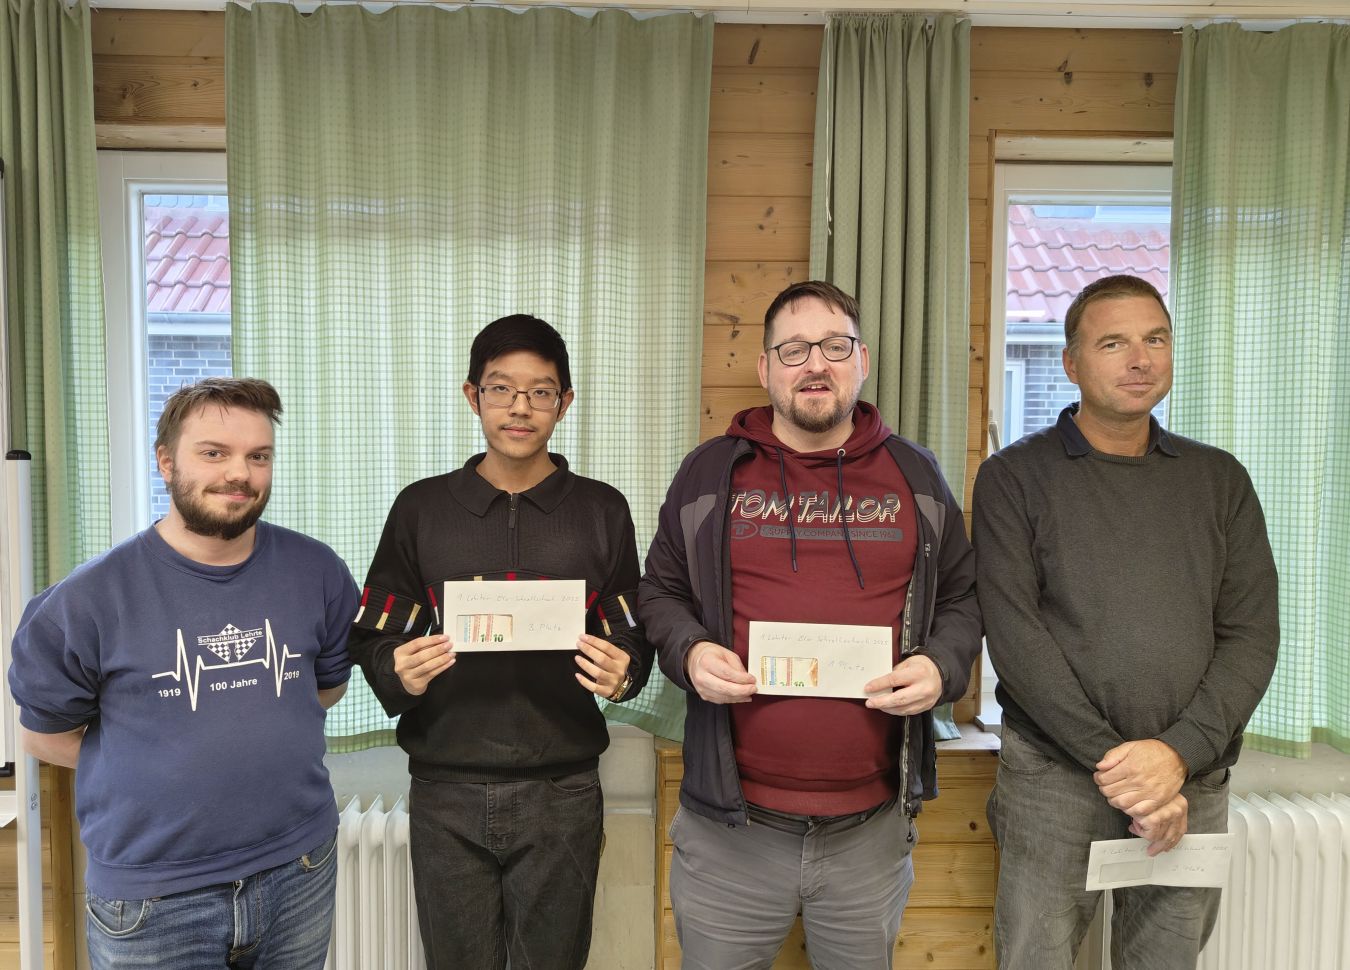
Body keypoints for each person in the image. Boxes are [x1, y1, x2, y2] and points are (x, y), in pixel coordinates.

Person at [640, 279, 982, 969]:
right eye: (793, 349)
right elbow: (660, 593)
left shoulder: (916, 475)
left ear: (863, 361)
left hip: (870, 835)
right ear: (766, 368)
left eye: (834, 346)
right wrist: (691, 651)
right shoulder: (709, 473)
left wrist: (940, 665)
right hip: (729, 831)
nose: (815, 364)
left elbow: (963, 598)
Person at [973, 274, 1279, 970]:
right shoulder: (1013, 478)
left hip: (1188, 780)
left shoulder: (1220, 480)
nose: (1140, 359)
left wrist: (1175, 758)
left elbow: (1251, 636)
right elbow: (1016, 639)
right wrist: (1127, 773)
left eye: (1155, 339)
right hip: (1053, 780)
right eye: (1113, 343)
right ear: (1071, 363)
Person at [8, 377, 357, 970]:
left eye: (259, 456)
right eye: (214, 453)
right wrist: (155, 763)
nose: (240, 473)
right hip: (154, 900)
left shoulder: (316, 570)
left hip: (299, 869)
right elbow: (45, 738)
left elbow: (322, 689)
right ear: (166, 461)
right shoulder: (88, 599)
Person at [348, 314, 653, 970]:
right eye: (501, 389)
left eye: (540, 392)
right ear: (472, 396)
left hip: (563, 788)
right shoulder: (421, 509)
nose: (520, 407)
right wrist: (396, 669)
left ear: (564, 403)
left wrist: (625, 670)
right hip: (445, 787)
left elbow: (630, 629)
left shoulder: (601, 510)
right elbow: (375, 633)